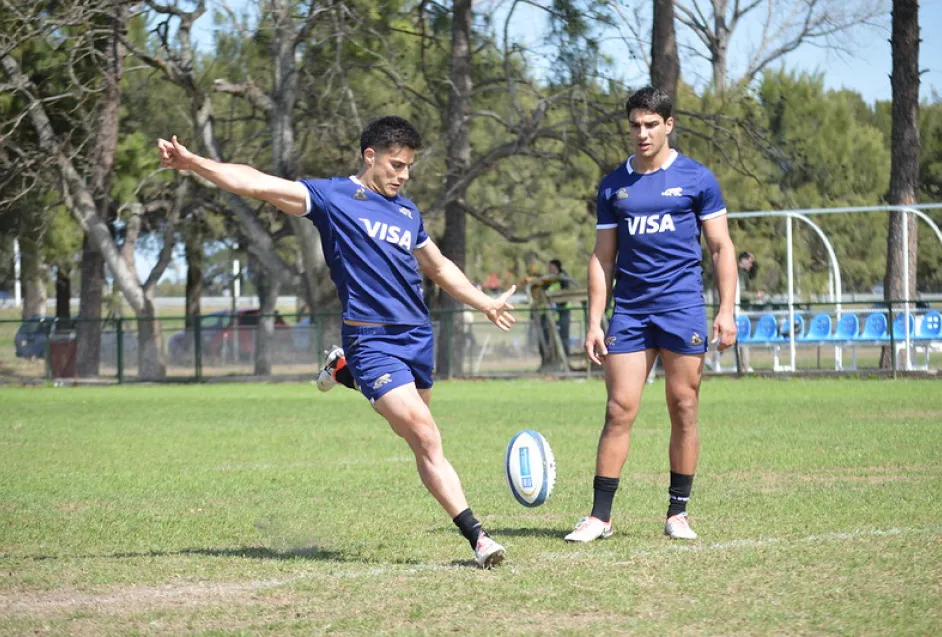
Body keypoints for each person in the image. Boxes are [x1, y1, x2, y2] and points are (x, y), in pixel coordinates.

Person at [157, 116, 516, 568]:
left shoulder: (407, 212)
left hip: (417, 336)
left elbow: (439, 267)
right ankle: (479, 539)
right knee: (426, 436)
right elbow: (256, 184)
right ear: (370, 157)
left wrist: (483, 302)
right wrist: (193, 163)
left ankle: (343, 372)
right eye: (396, 164)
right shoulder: (333, 197)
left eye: (409, 167)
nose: (403, 175)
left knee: (414, 436)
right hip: (370, 338)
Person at [565, 86, 738, 543]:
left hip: (681, 307)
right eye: (634, 125)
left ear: (668, 125)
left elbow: (721, 248)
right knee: (619, 409)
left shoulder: (698, 179)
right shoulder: (612, 185)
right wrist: (594, 320)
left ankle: (677, 513)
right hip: (632, 311)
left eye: (650, 124)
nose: (641, 133)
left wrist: (726, 310)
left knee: (684, 406)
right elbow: (602, 258)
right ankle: (600, 517)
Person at [546, 259, 572, 357]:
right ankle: (556, 355)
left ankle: (566, 355)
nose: (550, 269)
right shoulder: (549, 279)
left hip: (564, 309)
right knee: (553, 335)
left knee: (564, 334)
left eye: (552, 267)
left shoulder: (563, 277)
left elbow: (565, 290)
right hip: (554, 312)